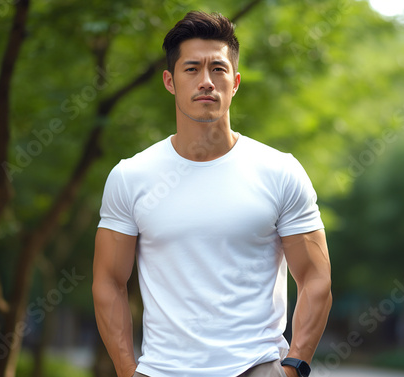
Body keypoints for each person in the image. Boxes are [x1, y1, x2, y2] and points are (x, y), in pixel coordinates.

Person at [92, 10, 332, 377]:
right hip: (161, 371)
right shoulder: (131, 176)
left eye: (217, 69)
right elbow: (109, 280)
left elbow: (315, 278)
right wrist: (127, 371)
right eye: (192, 69)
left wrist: (294, 367)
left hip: (256, 367)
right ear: (170, 81)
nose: (206, 81)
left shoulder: (280, 171)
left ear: (235, 82)